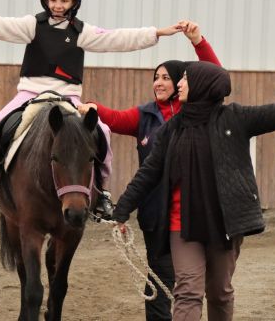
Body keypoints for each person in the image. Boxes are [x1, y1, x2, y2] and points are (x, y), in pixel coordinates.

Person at [0, 0, 184, 218]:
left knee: (101, 130)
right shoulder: (32, 25)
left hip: (68, 97)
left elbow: (117, 38)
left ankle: (102, 191)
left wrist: (156, 33)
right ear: (46, 0)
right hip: (30, 93)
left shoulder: (83, 32)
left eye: (64, 0)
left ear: (73, 2)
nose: (58, 4)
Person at [112, 61, 275, 320]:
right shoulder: (171, 129)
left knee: (219, 292)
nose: (180, 84)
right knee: (187, 291)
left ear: (202, 85)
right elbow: (149, 172)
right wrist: (122, 210)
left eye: (185, 79)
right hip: (181, 224)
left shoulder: (234, 118)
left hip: (224, 224)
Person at [77, 22, 220, 321]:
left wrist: (198, 41)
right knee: (158, 274)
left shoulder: (197, 110)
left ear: (182, 81)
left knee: (192, 280)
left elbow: (215, 75)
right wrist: (93, 107)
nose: (158, 82)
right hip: (156, 213)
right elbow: (114, 118)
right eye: (155, 77)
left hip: (194, 211)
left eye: (166, 77)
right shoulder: (144, 115)